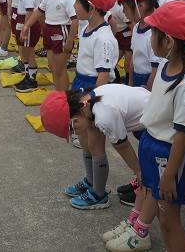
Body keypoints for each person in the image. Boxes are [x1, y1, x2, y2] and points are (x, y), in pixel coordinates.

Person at [103, 1, 185, 252]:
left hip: (168, 155)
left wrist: (170, 175)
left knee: (170, 221)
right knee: (162, 216)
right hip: (153, 145)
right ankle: (138, 227)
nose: (149, 38)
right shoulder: (166, 65)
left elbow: (182, 135)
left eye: (153, 33)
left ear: (169, 41)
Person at [41, 83, 148, 211]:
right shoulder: (87, 104)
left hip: (161, 125)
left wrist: (138, 171)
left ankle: (100, 194)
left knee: (147, 163)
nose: (75, 134)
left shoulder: (104, 117)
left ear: (74, 121)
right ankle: (93, 184)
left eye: (72, 130)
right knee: (91, 143)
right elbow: (90, 145)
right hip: (145, 108)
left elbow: (123, 146)